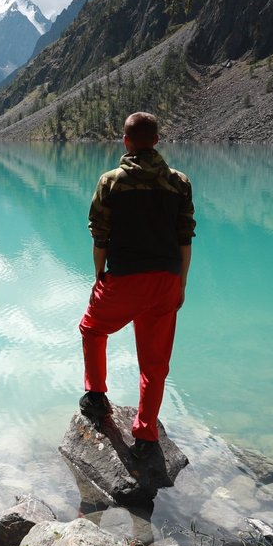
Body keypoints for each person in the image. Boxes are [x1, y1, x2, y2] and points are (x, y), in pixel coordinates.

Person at [77, 112, 195, 451]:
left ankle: (97, 396)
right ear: (157, 141)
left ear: (125, 140)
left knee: (93, 328)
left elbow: (100, 236)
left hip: (124, 277)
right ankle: (145, 435)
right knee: (155, 363)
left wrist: (99, 275)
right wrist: (181, 283)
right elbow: (185, 237)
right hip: (166, 279)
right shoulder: (179, 183)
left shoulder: (111, 182)